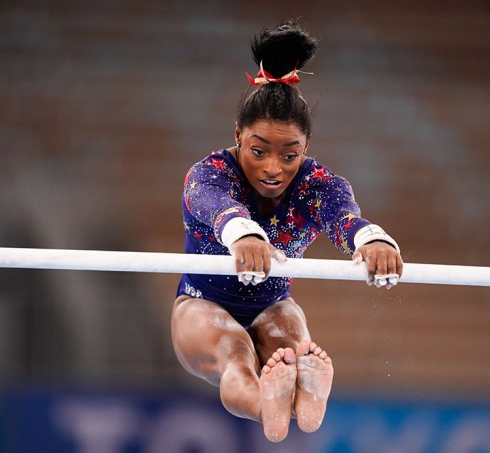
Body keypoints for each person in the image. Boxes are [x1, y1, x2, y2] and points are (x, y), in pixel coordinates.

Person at [171, 19, 403, 443]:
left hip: (272, 302)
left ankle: (305, 395)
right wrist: (242, 233)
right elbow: (215, 204)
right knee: (233, 351)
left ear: (306, 149)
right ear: (237, 136)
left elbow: (344, 218)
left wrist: (372, 241)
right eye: (258, 151)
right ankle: (268, 408)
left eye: (289, 155)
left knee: (292, 342)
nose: (273, 169)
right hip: (201, 306)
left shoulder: (317, 185)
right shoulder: (209, 174)